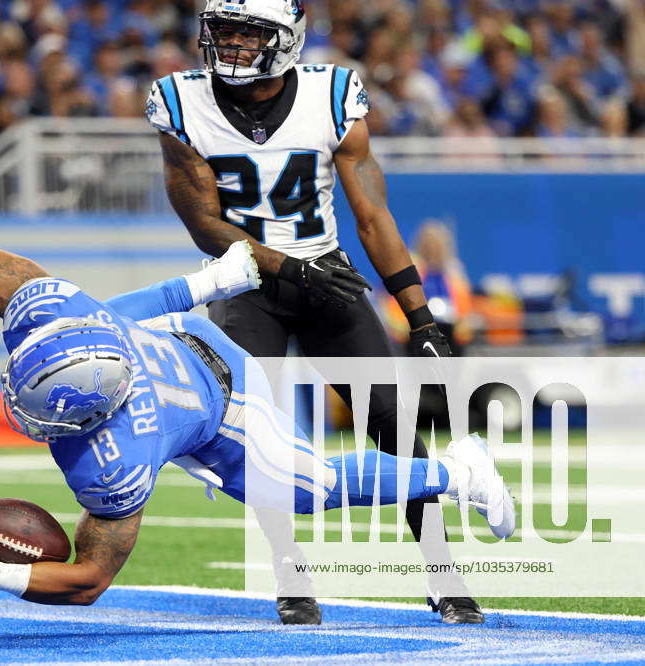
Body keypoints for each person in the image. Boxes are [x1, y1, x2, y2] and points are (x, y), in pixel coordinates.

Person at [0, 240, 514, 616]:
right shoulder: (60, 313)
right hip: (166, 333)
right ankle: (208, 283)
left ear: (93, 418)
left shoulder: (115, 460)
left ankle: (460, 470)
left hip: (221, 398)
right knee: (116, 314)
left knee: (301, 486)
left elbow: (89, 580)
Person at [144, 0, 482, 624]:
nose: (234, 45)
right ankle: (290, 572)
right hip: (244, 285)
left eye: (249, 32)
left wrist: (423, 318)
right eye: (225, 30)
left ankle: (443, 570)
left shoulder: (332, 94)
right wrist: (285, 266)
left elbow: (373, 216)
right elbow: (203, 223)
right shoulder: (179, 102)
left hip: (328, 282)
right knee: (258, 435)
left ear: (286, 38)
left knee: (395, 422)